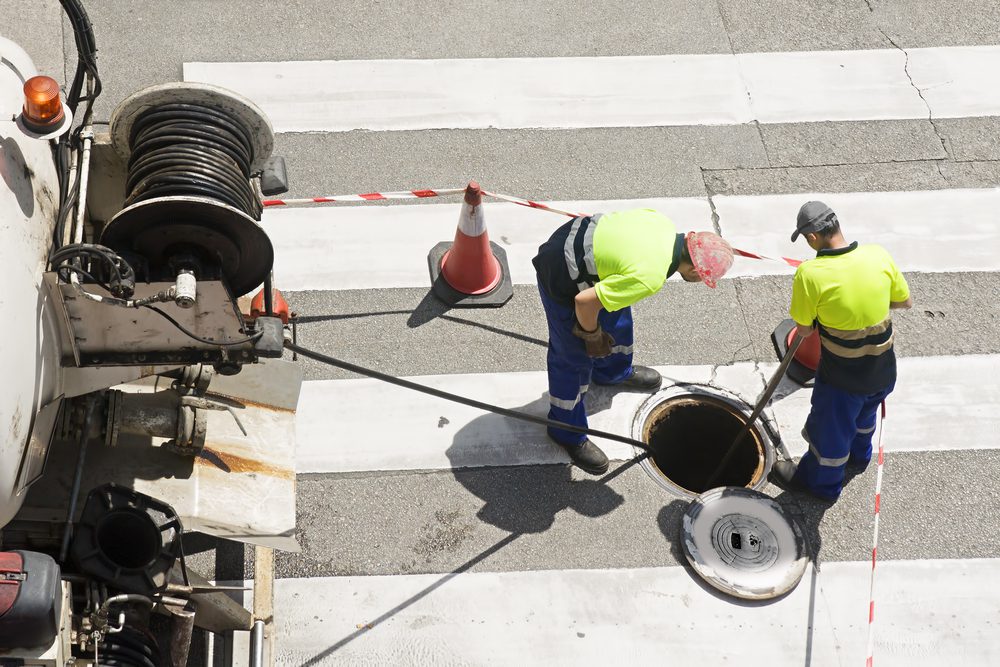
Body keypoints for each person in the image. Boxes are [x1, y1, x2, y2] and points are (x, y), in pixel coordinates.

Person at [532, 208, 734, 475]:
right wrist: (591, 336)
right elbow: (583, 302)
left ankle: (612, 372)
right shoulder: (649, 276)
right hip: (560, 271)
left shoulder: (662, 222)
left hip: (580, 249)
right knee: (572, 359)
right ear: (697, 272)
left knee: (618, 317)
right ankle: (566, 431)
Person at [773, 201, 912, 500]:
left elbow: (806, 328)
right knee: (865, 417)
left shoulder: (811, 274)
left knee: (830, 435)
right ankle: (859, 459)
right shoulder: (878, 255)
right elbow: (904, 301)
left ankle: (821, 486)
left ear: (812, 238)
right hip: (884, 370)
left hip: (843, 379)